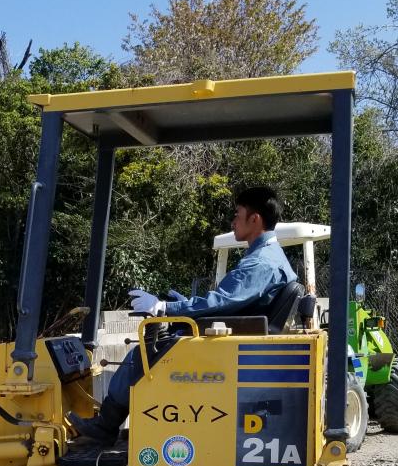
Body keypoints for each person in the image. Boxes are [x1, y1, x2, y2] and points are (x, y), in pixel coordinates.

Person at [70, 185, 296, 449]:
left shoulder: (260, 263)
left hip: (228, 347)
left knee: (141, 355)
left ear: (254, 219)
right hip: (236, 335)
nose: (233, 221)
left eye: (237, 214)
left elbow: (221, 301)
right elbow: (232, 303)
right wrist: (182, 304)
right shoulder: (269, 256)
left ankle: (105, 426)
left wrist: (165, 308)